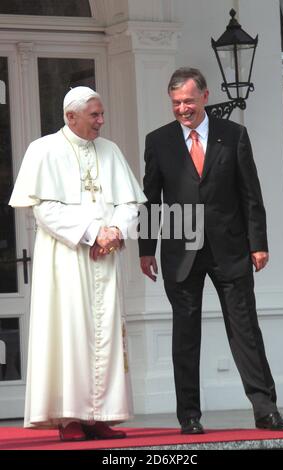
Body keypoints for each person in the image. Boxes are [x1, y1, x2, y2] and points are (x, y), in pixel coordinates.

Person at [138, 67, 283, 434]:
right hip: (181, 246)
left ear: (205, 96)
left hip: (231, 247)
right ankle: (189, 416)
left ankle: (265, 409)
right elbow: (150, 199)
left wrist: (259, 244)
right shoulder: (158, 141)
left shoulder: (233, 135)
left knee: (245, 331)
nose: (182, 109)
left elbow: (250, 194)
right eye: (176, 103)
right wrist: (147, 249)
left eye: (188, 101)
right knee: (185, 334)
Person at [9, 86, 146, 441]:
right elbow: (45, 209)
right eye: (94, 115)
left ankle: (100, 415)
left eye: (101, 114)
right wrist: (92, 233)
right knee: (70, 333)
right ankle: (69, 417)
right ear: (71, 117)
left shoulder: (111, 150)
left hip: (105, 259)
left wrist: (114, 231)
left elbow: (130, 203)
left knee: (106, 335)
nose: (101, 121)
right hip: (66, 259)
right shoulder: (44, 150)